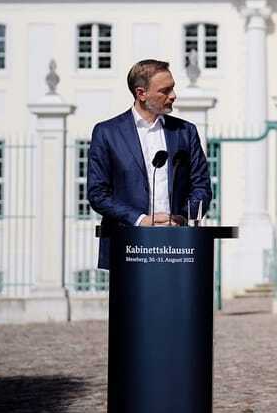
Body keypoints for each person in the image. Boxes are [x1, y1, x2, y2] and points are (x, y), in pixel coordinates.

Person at [88, 59, 212, 269]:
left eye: (173, 88)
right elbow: (98, 194)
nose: (173, 96)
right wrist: (140, 220)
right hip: (128, 245)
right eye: (165, 90)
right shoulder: (107, 133)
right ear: (141, 93)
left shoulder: (186, 132)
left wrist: (181, 217)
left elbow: (201, 187)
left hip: (178, 246)